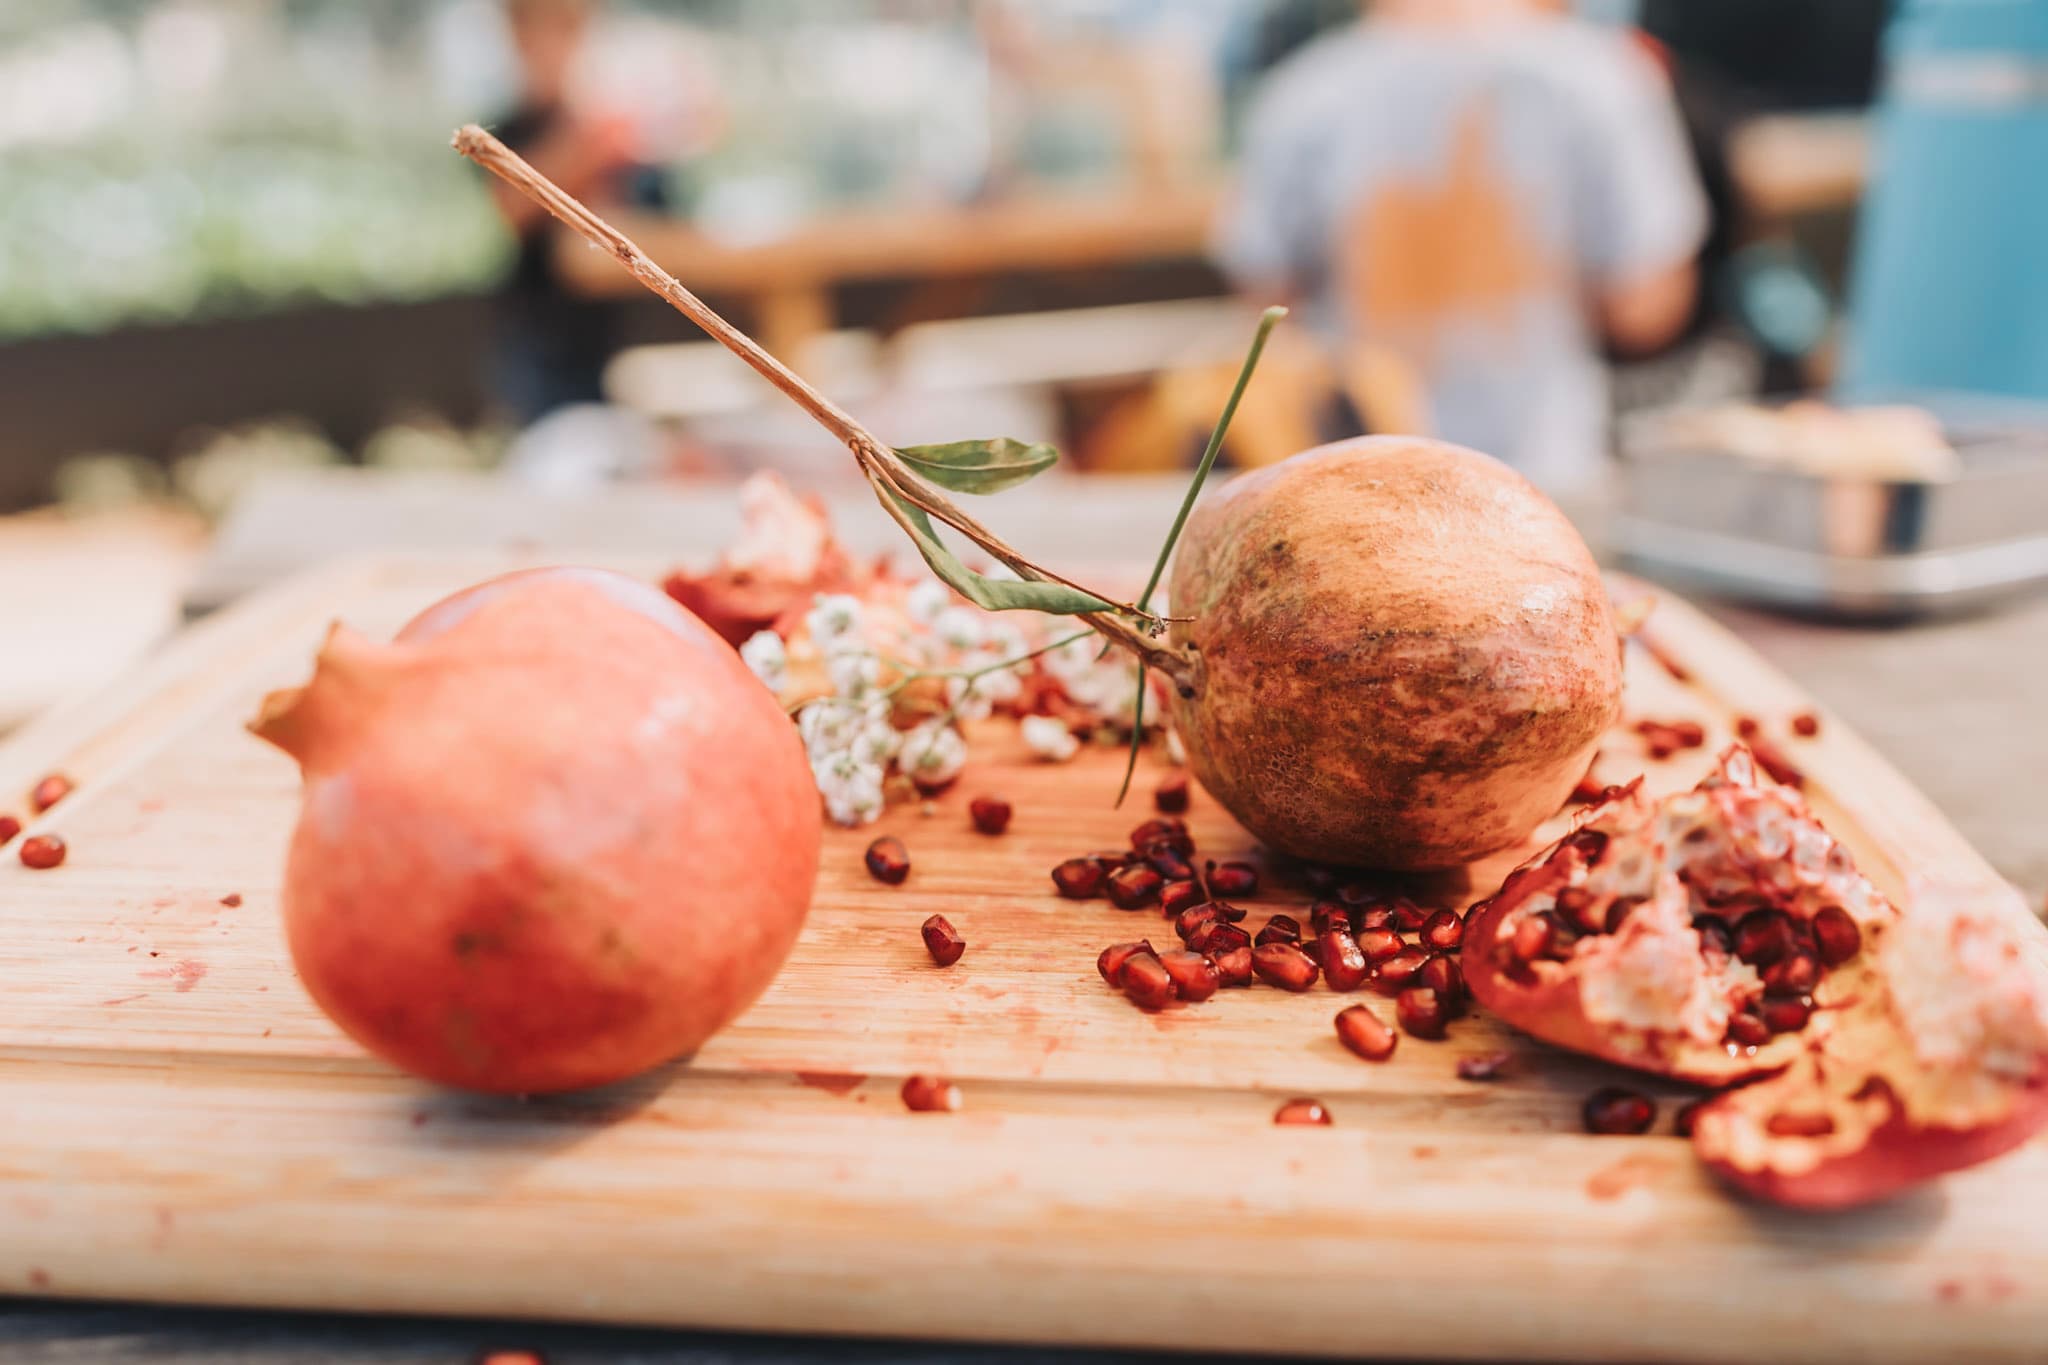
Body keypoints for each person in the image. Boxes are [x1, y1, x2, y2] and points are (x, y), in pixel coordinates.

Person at [1217, 0, 1708, 491]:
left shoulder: (1306, 90)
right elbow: (1644, 307)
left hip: (1360, 483)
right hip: (1541, 478)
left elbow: (1266, 299)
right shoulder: (1599, 75)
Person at [484, 0, 640, 426]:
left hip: (607, 337)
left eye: (563, 29)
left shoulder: (602, 124)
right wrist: (585, 149)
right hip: (538, 338)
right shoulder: (511, 126)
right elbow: (510, 209)